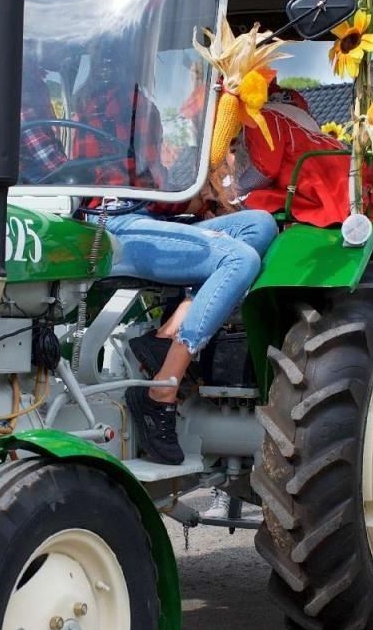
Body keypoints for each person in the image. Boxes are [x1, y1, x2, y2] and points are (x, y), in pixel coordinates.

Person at [18, 50, 277, 466]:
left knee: (259, 225)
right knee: (239, 260)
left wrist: (195, 199)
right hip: (108, 225)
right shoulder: (110, 102)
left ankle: (170, 333)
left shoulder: (129, 104)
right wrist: (186, 197)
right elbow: (96, 187)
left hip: (134, 214)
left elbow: (148, 190)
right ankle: (164, 387)